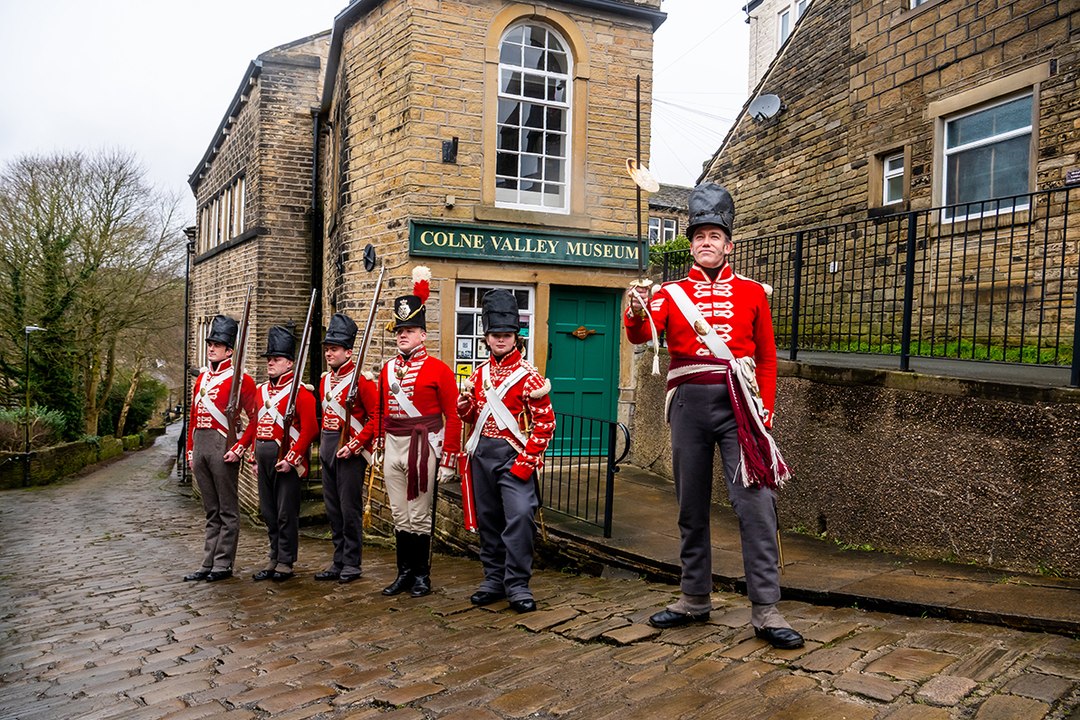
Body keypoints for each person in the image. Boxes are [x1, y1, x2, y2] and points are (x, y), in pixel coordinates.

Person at [623, 182, 804, 649]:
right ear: (692, 242)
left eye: (714, 236)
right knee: (690, 507)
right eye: (699, 235)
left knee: (756, 508)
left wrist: (764, 407)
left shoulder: (751, 294)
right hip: (687, 405)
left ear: (729, 244)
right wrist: (635, 308)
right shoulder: (667, 293)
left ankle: (766, 608)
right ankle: (693, 597)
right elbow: (641, 334)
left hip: (739, 406)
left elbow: (766, 357)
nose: (706, 242)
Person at [457, 290, 555, 613]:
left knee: (520, 518)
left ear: (516, 336)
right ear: (487, 337)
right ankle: (493, 579)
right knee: (488, 519)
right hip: (481, 454)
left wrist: (526, 464)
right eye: (495, 335)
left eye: (507, 335)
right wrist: (464, 407)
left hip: (515, 457)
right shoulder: (478, 374)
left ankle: (517, 584)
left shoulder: (529, 377)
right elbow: (472, 416)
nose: (501, 340)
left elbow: (545, 424)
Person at [375, 266, 461, 598]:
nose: (402, 335)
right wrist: (381, 444)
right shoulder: (386, 369)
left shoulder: (439, 370)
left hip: (423, 446)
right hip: (393, 445)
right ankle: (404, 573)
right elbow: (382, 409)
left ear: (423, 334)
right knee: (399, 513)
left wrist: (449, 458)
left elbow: (453, 416)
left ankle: (422, 575)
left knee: (419, 513)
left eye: (409, 330)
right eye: (399, 330)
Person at [236, 325, 318, 582]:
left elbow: (310, 429)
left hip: (286, 460)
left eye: (276, 359)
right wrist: (253, 456)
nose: (271, 363)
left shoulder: (300, 393)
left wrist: (292, 459)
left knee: (285, 513)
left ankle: (286, 561)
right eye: (269, 359)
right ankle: (273, 557)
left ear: (290, 363)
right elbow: (258, 424)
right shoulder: (261, 391)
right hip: (264, 457)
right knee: (269, 512)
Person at [184, 315, 257, 582]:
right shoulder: (201, 379)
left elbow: (255, 417)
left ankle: (223, 563)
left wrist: (240, 447)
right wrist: (191, 450)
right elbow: (193, 416)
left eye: (217, 344)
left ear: (229, 350)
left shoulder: (241, 379)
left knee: (227, 509)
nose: (212, 348)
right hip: (202, 445)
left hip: (223, 444)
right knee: (210, 509)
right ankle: (207, 562)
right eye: (210, 343)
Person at [316, 312, 378, 583]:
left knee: (349, 508)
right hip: (329, 444)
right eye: (328, 349)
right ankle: (338, 559)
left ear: (348, 352)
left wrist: (355, 445)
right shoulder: (324, 380)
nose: (329, 354)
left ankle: (352, 563)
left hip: (350, 450)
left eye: (334, 349)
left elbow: (377, 417)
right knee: (332, 508)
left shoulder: (361, 381)